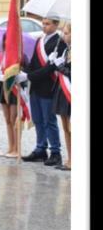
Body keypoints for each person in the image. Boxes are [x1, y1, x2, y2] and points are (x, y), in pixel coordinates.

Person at [21, 18, 68, 167]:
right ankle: (41, 149)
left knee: (49, 121)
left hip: (48, 87)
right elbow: (35, 62)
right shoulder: (39, 40)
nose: (44, 26)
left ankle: (55, 152)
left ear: (56, 25)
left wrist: (29, 76)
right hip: (35, 86)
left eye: (48, 24)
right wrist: (23, 71)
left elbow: (50, 69)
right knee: (38, 120)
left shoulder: (60, 43)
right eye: (43, 23)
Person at [0, 33, 27, 158]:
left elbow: (26, 74)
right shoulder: (0, 55)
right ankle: (11, 147)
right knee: (7, 119)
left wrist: (20, 76)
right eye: (5, 40)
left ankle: (17, 148)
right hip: (3, 89)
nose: (7, 42)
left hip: (15, 90)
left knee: (14, 119)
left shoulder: (21, 56)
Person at [51, 22, 71, 171]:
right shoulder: (66, 51)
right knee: (65, 127)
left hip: (71, 92)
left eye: (67, 33)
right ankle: (70, 159)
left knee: (72, 128)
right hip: (62, 92)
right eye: (64, 33)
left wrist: (60, 67)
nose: (64, 36)